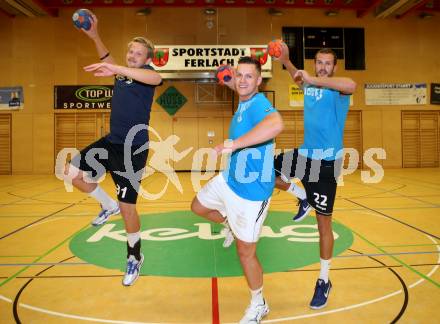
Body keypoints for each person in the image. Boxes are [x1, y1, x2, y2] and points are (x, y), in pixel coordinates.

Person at [64, 13, 162, 286]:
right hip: (111, 141)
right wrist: (94, 34)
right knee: (70, 172)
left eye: (138, 53)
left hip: (134, 149)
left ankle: (134, 257)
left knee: (128, 207)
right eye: (130, 51)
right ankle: (106, 204)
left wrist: (117, 69)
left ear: (146, 59)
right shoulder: (122, 75)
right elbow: (108, 60)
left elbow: (154, 79)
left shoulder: (148, 75)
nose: (132, 55)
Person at [191, 57, 283, 323]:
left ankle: (259, 303)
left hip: (252, 192)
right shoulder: (244, 100)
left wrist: (234, 144)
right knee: (198, 207)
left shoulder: (258, 104)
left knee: (246, 252)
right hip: (229, 181)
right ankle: (230, 224)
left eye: (248, 77)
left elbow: (275, 124)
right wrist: (230, 80)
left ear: (259, 81)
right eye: (238, 75)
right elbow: (239, 86)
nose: (242, 80)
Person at [273, 43, 356, 309]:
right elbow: (297, 74)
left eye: (327, 63)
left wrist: (313, 78)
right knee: (265, 170)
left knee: (323, 226)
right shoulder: (310, 86)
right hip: (305, 155)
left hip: (327, 164)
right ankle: (302, 196)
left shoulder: (337, 91)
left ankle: (324, 280)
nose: (322, 66)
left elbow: (352, 85)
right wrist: (286, 61)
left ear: (334, 66)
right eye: (319, 62)